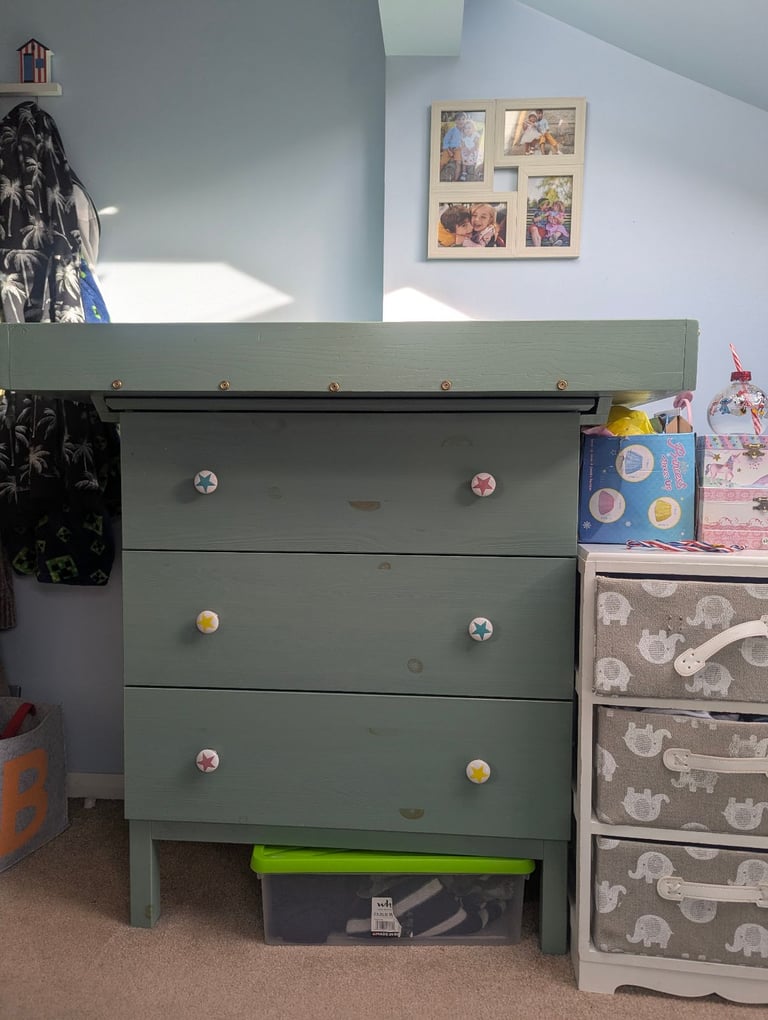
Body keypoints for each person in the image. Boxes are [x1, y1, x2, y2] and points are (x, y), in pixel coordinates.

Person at [440, 112, 468, 182]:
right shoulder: (452, 130)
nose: (461, 121)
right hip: (449, 148)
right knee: (442, 162)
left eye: (463, 119)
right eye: (459, 119)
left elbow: (468, 141)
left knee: (458, 163)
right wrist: (448, 150)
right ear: (455, 121)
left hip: (459, 149)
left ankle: (455, 179)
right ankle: (435, 175)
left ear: (466, 120)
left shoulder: (466, 131)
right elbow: (446, 140)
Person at [458, 117, 482, 182]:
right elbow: (462, 144)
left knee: (474, 161)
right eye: (465, 128)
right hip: (466, 151)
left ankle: (474, 171)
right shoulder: (463, 136)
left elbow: (476, 145)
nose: (467, 130)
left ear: (473, 129)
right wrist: (466, 149)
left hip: (473, 150)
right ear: (463, 130)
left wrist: (471, 150)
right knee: (464, 162)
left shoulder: (475, 135)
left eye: (469, 128)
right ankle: (464, 173)